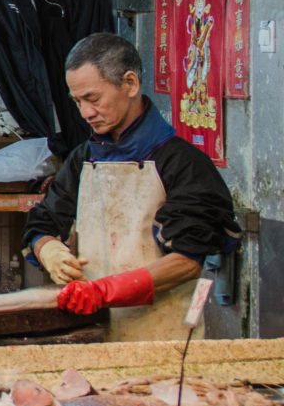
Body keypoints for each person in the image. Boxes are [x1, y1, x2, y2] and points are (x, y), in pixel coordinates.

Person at [26, 32, 238, 317]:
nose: (85, 112)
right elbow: (42, 223)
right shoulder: (83, 159)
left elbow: (188, 261)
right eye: (77, 102)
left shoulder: (181, 162)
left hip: (161, 334)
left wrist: (105, 292)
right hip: (91, 330)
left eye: (93, 99)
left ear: (129, 83)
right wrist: (48, 251)